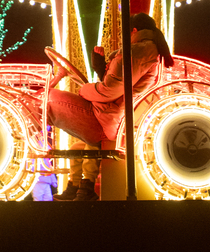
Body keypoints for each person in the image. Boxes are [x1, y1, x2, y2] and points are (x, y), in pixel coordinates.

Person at [47, 12, 174, 201]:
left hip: (108, 118)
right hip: (110, 115)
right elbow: (117, 87)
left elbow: (109, 91)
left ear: (133, 30)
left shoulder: (137, 51)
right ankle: (80, 187)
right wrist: (100, 69)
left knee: (49, 98)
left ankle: (84, 186)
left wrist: (84, 90)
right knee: (76, 148)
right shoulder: (142, 50)